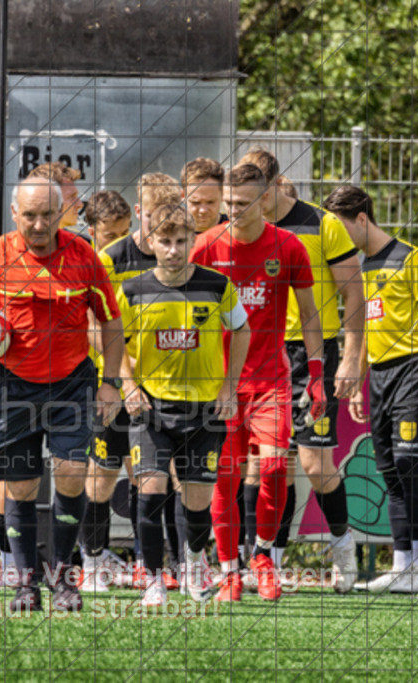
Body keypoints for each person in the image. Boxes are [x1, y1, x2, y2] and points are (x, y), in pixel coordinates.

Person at [0, 177, 124, 613]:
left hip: (72, 384)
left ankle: (64, 578)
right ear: (15, 213)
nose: (39, 224)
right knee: (20, 486)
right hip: (12, 385)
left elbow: (110, 322)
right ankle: (25, 584)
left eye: (47, 215)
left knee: (73, 473)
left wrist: (110, 381)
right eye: (30, 215)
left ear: (61, 214)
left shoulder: (84, 259)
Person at [190, 163, 326, 602]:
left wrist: (318, 375)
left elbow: (308, 314)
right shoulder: (206, 246)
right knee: (225, 478)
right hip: (220, 384)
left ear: (265, 197)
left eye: (242, 204)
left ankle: (263, 556)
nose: (233, 212)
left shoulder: (287, 246)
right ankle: (229, 570)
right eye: (228, 204)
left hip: (271, 379)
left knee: (272, 468)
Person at [236, 147, 364, 592]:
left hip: (312, 354)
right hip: (259, 355)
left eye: (255, 197)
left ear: (274, 186)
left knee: (313, 462)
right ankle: (264, 558)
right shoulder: (240, 229)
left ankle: (344, 546)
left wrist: (350, 357)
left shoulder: (321, 224)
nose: (245, 207)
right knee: (265, 464)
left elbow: (353, 294)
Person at [116, 204, 250, 607]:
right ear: (151, 242)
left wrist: (229, 386)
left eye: (181, 241)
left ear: (193, 241)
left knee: (197, 505)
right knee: (151, 491)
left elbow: (241, 329)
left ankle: (192, 560)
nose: (173, 250)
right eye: (165, 241)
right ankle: (155, 580)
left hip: (205, 409)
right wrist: (126, 383)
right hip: (152, 408)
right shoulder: (133, 290)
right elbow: (107, 337)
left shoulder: (217, 285)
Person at [323, 185, 418, 593]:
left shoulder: (408, 257)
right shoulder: (359, 269)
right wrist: (359, 384)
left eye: (341, 229)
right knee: (391, 472)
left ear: (362, 219)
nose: (337, 240)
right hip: (378, 376)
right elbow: (361, 330)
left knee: (410, 465)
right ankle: (402, 566)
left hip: (414, 370)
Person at [84, 173, 181, 594]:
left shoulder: (177, 261)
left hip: (158, 387)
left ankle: (154, 566)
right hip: (112, 383)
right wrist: (122, 380)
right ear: (142, 212)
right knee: (103, 473)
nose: (165, 229)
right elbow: (96, 325)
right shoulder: (110, 258)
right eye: (156, 218)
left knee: (154, 476)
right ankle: (90, 562)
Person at [180, 157, 228, 236]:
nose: (203, 210)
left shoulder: (237, 232)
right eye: (196, 202)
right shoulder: (168, 234)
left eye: (210, 202)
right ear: (183, 196)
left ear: (223, 195)